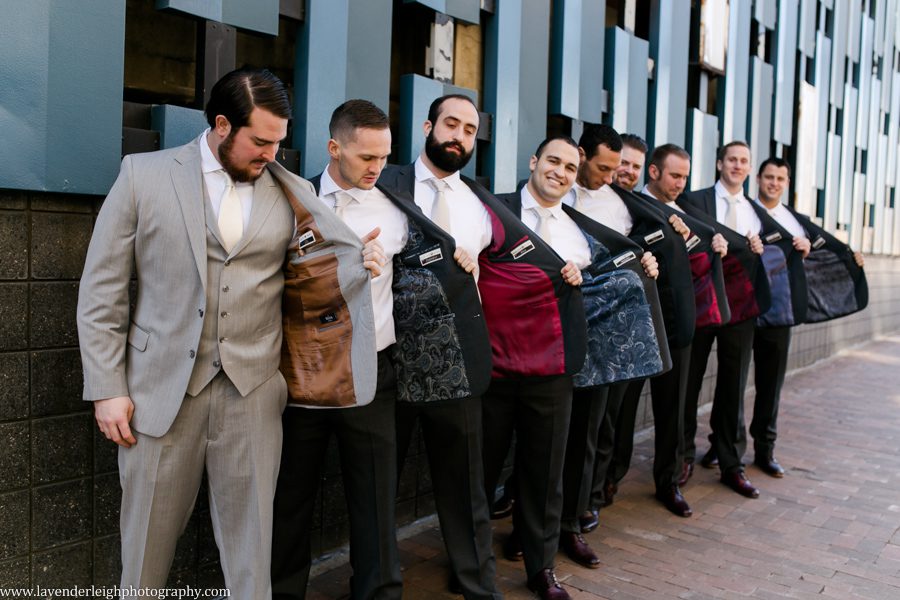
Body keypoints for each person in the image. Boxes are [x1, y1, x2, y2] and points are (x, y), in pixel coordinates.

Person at [77, 68, 324, 598]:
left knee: (252, 558)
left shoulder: (292, 191)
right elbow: (102, 290)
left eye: (279, 143)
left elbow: (314, 282)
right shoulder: (143, 175)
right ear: (221, 125)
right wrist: (107, 388)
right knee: (144, 554)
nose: (272, 155)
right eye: (261, 142)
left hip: (253, 395)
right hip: (159, 394)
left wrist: (355, 267)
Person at [271, 100, 405, 600]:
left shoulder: (398, 208)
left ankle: (379, 593)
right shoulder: (293, 202)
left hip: (373, 368)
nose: (377, 167)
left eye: (384, 157)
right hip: (303, 369)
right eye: (366, 156)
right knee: (291, 495)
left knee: (376, 497)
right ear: (334, 147)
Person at [375, 94, 501, 600]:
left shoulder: (482, 202)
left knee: (465, 485)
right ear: (428, 127)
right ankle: (379, 586)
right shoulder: (385, 184)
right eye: (452, 124)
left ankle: (478, 585)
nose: (460, 136)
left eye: (470, 130)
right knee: (379, 484)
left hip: (457, 360)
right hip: (391, 357)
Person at [750, 157, 864, 478]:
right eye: (769, 177)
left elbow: (827, 246)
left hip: (780, 313)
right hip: (743, 310)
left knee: (770, 386)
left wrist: (849, 256)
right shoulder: (744, 211)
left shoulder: (796, 221)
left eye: (780, 179)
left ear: (787, 183)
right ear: (758, 179)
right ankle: (722, 447)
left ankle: (764, 450)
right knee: (731, 384)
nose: (773, 183)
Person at [680, 141, 778, 499]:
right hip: (703, 299)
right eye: (732, 159)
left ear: (749, 168)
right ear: (719, 163)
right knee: (689, 381)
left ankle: (731, 463)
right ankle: (681, 458)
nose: (737, 165)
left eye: (743, 161)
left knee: (734, 384)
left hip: (741, 304)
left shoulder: (756, 212)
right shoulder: (693, 201)